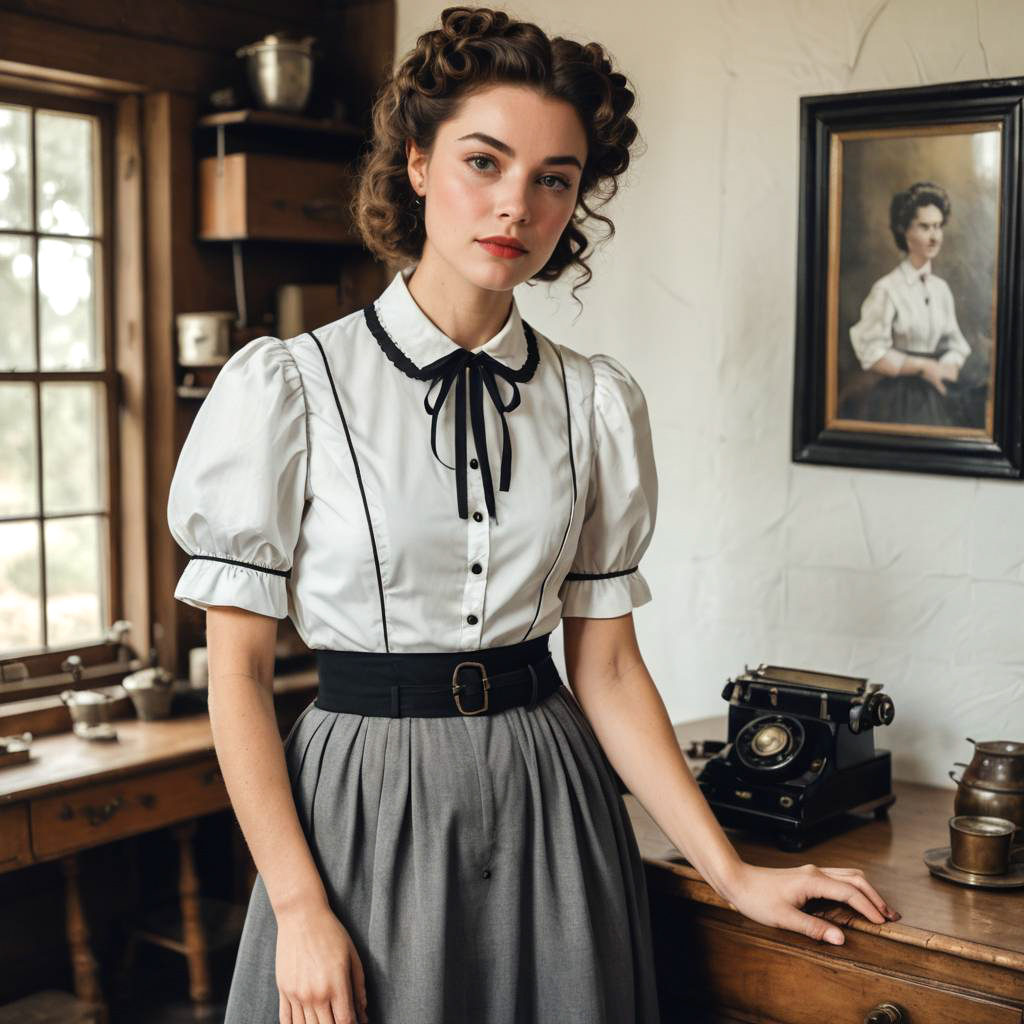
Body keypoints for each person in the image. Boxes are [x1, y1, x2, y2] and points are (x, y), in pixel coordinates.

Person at [167, 7, 900, 1023]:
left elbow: (603, 667)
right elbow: (238, 676)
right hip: (360, 803)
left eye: (553, 177)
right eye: (484, 161)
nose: (516, 203)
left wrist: (733, 874)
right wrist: (297, 905)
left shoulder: (592, 402)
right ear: (417, 164)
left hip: (547, 799)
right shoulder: (292, 386)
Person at [848, 181, 972, 426]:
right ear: (905, 231)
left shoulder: (941, 289)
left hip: (935, 395)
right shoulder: (887, 289)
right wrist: (923, 367)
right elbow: (871, 352)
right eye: (924, 227)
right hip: (897, 398)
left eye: (938, 226)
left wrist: (947, 366)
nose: (935, 236)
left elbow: (956, 344)